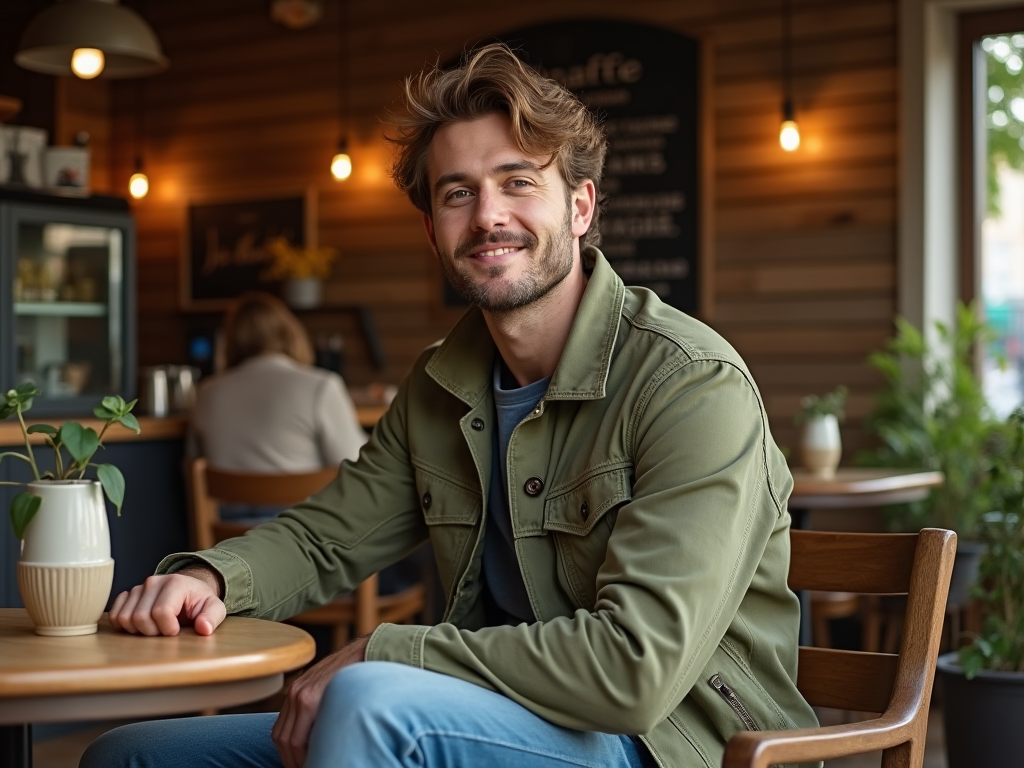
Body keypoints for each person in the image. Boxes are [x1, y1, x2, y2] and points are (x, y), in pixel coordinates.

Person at [82, 43, 817, 768]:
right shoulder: (442, 384)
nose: (488, 215)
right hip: (497, 720)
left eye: (518, 181)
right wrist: (208, 578)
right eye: (458, 192)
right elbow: (323, 540)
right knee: (135, 753)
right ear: (433, 230)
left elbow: (632, 674)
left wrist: (389, 650)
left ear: (582, 206)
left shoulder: (689, 383)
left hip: (675, 744)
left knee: (370, 704)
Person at [189, 291, 367, 480]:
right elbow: (357, 467)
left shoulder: (207, 392)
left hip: (222, 509)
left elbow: (192, 461)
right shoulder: (321, 386)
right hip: (302, 509)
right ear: (290, 333)